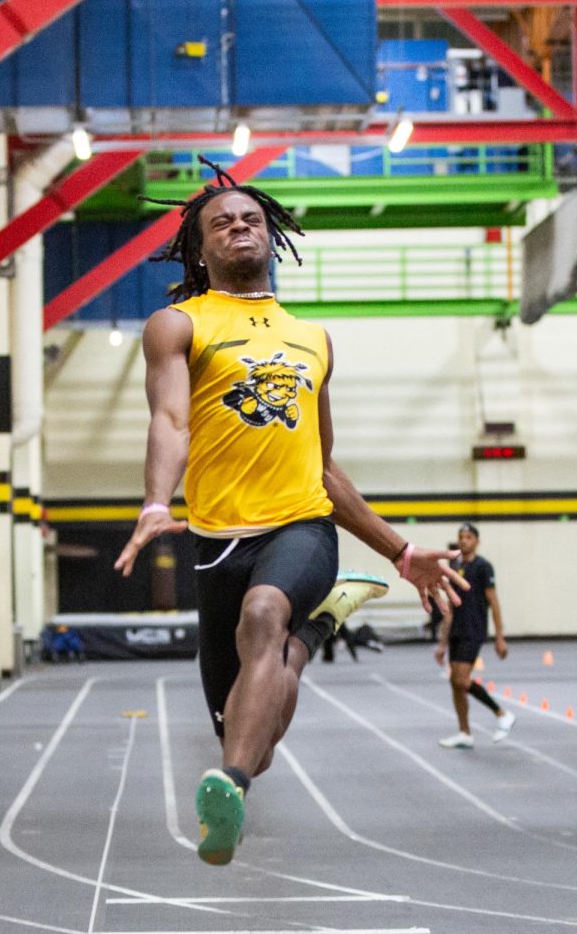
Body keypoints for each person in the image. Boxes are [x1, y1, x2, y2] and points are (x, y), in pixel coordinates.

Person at [115, 157, 468, 865]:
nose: (239, 227)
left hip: (299, 525)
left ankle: (229, 784)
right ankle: (315, 634)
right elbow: (170, 421)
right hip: (219, 540)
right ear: (201, 246)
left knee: (262, 618)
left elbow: (322, 467)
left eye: (250, 218)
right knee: (257, 730)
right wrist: (156, 500)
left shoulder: (313, 340)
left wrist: (398, 551)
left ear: (270, 235)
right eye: (222, 223)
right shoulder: (178, 325)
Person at [435, 522, 515, 748]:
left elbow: (494, 602)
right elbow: (449, 606)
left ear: (476, 541)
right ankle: (464, 732)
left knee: (461, 679)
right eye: (461, 536)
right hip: (456, 630)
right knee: (454, 682)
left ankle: (501, 714)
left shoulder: (483, 567)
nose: (463, 540)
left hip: (474, 629)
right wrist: (442, 643)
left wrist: (500, 637)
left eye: (468, 537)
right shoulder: (454, 566)